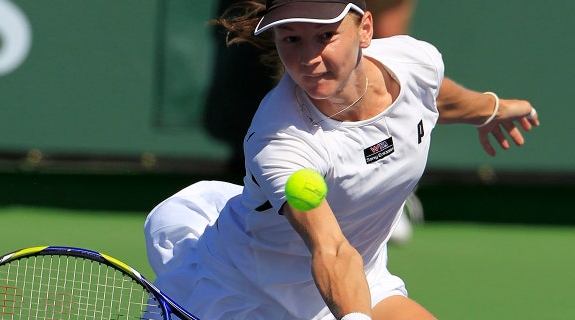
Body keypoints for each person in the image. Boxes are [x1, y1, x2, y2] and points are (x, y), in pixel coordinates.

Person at [145, 1, 539, 319]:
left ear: (365, 29)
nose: (308, 57)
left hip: (362, 275)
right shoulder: (280, 142)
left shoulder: (414, 61)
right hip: (248, 295)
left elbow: (432, 97)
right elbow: (331, 249)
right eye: (292, 38)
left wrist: (491, 109)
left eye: (325, 35)